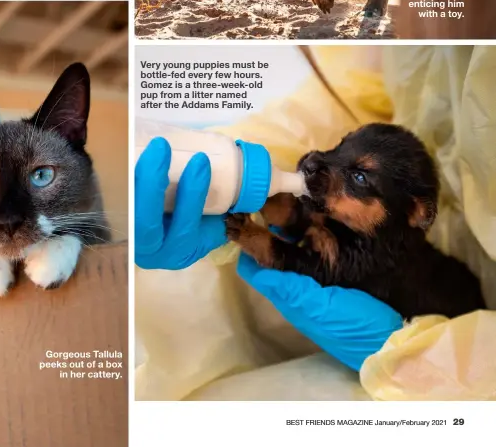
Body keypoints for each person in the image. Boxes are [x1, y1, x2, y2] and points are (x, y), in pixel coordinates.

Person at [135, 47, 496, 401]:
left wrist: (250, 234)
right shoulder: (350, 214)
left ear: (414, 214)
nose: (318, 161)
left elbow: (303, 263)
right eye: (339, 146)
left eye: (359, 178)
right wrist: (234, 173)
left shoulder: (370, 258)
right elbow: (345, 93)